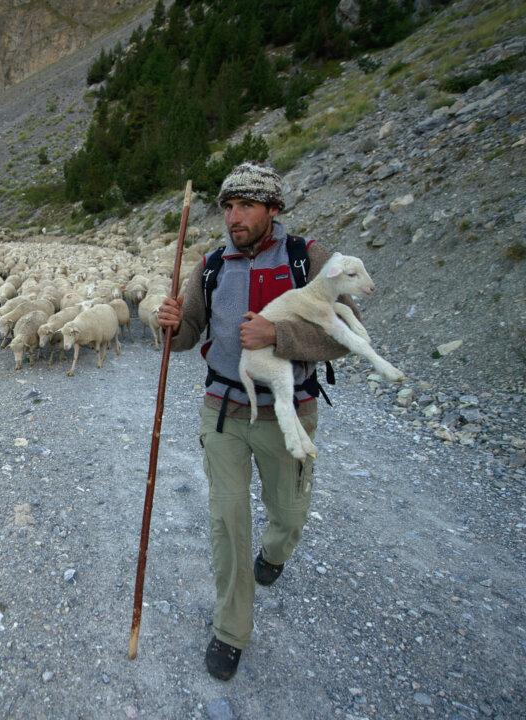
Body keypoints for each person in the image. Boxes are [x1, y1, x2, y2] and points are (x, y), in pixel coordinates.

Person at [157, 162, 358, 681]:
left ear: (272, 209)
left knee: (288, 513)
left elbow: (345, 338)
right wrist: (170, 325)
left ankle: (276, 552)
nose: (234, 216)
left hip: (287, 413)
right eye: (227, 206)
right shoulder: (211, 265)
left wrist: (279, 337)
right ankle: (231, 628)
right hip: (223, 408)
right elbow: (184, 338)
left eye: (246, 205)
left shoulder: (308, 259)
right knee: (227, 520)